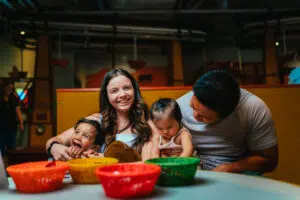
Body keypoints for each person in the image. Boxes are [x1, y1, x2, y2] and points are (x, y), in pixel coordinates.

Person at [176, 70, 278, 174]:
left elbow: (269, 161)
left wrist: (232, 168)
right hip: (196, 169)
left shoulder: (253, 108)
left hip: (238, 170)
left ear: (227, 115)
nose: (195, 115)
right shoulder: (177, 108)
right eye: (193, 106)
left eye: (203, 116)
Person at [46, 69, 152, 161]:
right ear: (107, 96)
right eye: (114, 91)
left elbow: (149, 164)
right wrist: (54, 147)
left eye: (127, 88)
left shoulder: (147, 124)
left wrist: (107, 160)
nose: (122, 94)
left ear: (135, 90)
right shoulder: (96, 120)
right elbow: (55, 140)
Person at [0, 80, 24, 155]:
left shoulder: (13, 98)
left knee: (11, 149)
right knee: (1, 149)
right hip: (1, 127)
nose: (9, 90)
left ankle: (11, 165)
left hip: (11, 127)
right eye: (8, 88)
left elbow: (18, 111)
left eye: (11, 88)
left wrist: (21, 123)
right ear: (4, 88)